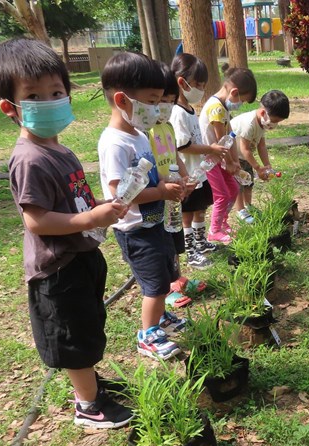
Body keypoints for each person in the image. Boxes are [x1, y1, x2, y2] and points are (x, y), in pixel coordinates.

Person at [0, 38, 132, 429]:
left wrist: (101, 206)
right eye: (34, 95)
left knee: (86, 326)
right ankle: (88, 406)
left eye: (56, 92)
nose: (50, 100)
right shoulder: (29, 159)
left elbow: (75, 200)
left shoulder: (60, 150)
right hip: (57, 268)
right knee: (72, 338)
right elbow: (36, 221)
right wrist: (90, 221)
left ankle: (92, 387)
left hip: (80, 257)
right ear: (10, 108)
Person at [98, 51, 187, 361]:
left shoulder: (139, 135)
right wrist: (162, 191)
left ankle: (160, 319)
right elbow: (121, 194)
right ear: (123, 100)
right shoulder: (114, 143)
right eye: (150, 101)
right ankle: (147, 335)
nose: (155, 109)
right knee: (154, 285)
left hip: (155, 223)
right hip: (135, 230)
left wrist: (173, 183)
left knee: (165, 275)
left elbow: (156, 172)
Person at [148, 62, 212, 303]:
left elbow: (175, 155)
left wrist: (185, 177)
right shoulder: (147, 132)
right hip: (160, 194)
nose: (164, 106)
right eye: (158, 101)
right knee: (162, 245)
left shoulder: (166, 128)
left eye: (169, 100)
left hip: (174, 191)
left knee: (173, 241)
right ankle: (167, 288)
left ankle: (178, 277)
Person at [170, 53, 225, 262]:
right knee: (187, 214)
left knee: (200, 210)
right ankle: (191, 250)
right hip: (188, 173)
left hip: (199, 173)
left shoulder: (190, 109)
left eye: (203, 85)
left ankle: (201, 243)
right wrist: (210, 148)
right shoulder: (177, 112)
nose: (201, 90)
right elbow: (183, 145)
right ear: (182, 82)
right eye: (198, 85)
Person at [199, 65, 258, 243]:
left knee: (233, 189)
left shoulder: (223, 108)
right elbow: (221, 139)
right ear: (234, 92)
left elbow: (230, 135)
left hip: (221, 158)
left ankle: (222, 222)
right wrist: (230, 162)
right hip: (210, 160)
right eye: (243, 100)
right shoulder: (216, 108)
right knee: (222, 194)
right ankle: (214, 230)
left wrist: (235, 161)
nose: (240, 104)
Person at [230, 89, 290, 223]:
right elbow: (244, 149)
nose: (274, 125)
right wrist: (258, 168)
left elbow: (261, 146)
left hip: (245, 157)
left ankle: (248, 205)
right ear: (263, 113)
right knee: (239, 184)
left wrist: (267, 165)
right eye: (274, 121)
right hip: (235, 156)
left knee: (249, 182)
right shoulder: (249, 124)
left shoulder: (262, 123)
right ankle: (240, 210)